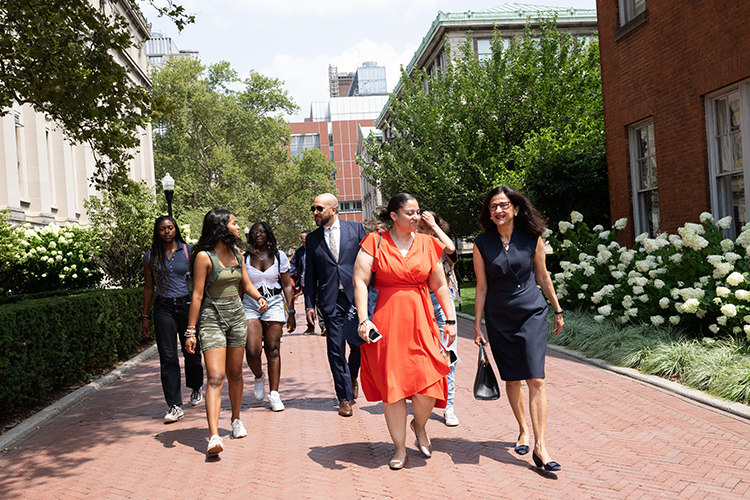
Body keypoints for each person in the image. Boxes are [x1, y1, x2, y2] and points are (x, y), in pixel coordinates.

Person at [353, 193, 455, 470]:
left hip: (421, 319)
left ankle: (419, 425)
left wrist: (451, 319)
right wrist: (364, 319)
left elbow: (440, 285)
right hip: (387, 319)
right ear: (394, 216)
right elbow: (360, 281)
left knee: (429, 383)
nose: (416, 217)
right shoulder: (375, 241)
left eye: (418, 211)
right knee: (393, 388)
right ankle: (399, 448)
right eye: (410, 212)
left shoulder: (427, 243)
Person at [472, 185, 564, 472]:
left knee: (536, 378)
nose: (497, 211)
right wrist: (476, 324)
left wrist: (557, 309)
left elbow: (543, 275)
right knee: (512, 379)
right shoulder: (481, 243)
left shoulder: (532, 238)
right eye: (492, 207)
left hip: (532, 312)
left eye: (502, 205)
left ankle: (541, 447)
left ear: (515, 208)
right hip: (499, 316)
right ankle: (523, 428)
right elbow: (482, 287)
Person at [184, 208, 268, 456]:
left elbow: (247, 284)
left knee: (235, 374)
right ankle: (213, 436)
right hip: (211, 319)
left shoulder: (237, 253)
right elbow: (197, 295)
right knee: (216, 377)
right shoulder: (203, 257)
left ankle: (235, 420)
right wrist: (191, 331)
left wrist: (259, 297)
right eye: (234, 223)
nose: (238, 226)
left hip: (236, 317)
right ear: (221, 227)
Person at [304, 193, 366, 417]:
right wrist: (309, 305)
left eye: (319, 208)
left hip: (355, 297)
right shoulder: (313, 239)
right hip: (330, 301)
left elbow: (369, 263)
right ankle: (344, 397)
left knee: (358, 344)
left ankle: (351, 375)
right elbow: (309, 274)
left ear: (333, 209)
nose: (315, 213)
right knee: (335, 349)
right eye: (314, 208)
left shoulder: (356, 229)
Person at [142, 216, 204, 423]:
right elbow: (149, 287)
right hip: (163, 307)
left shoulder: (189, 251)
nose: (167, 231)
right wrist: (145, 316)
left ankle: (196, 387)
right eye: (162, 229)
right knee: (167, 356)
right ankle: (174, 405)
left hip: (187, 306)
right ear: (157, 232)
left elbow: (199, 281)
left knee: (192, 352)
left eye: (170, 228)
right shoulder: (150, 256)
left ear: (176, 229)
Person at [242, 221, 295, 412]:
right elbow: (241, 286)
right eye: (255, 232)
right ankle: (258, 376)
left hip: (274, 303)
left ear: (268, 234)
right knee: (252, 350)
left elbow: (287, 285)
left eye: (262, 231)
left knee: (273, 348)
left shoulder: (279, 256)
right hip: (250, 304)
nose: (258, 234)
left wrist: (291, 311)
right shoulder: (244, 257)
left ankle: (274, 394)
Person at [416, 211, 460, 427]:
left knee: (449, 354)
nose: (419, 232)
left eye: (424, 228)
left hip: (442, 302)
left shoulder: (436, 242)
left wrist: (433, 227)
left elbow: (451, 249)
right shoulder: (410, 243)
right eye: (418, 227)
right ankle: (424, 397)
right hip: (419, 300)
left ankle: (449, 405)